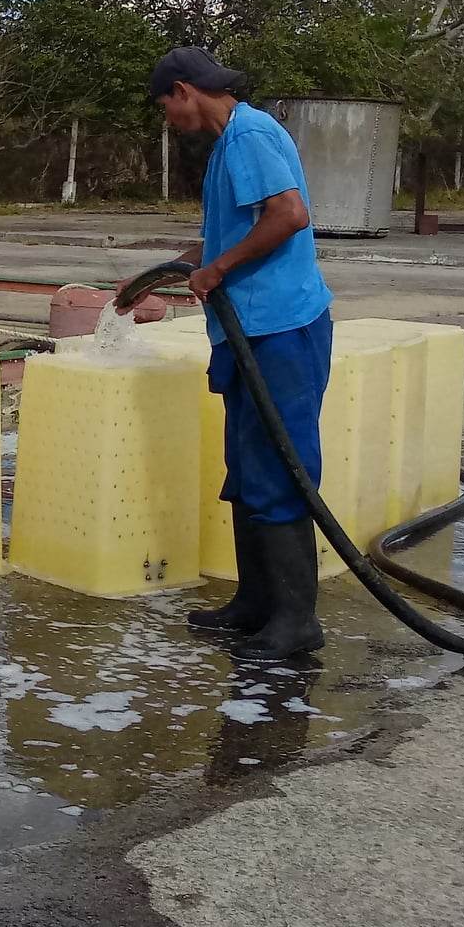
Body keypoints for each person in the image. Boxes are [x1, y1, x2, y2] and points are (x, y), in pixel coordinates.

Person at [124, 47, 333, 659]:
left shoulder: (248, 135)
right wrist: (175, 266)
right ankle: (254, 605)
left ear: (184, 91)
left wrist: (216, 268)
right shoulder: (229, 145)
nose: (169, 120)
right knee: (246, 470)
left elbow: (289, 214)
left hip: (281, 331)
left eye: (166, 107)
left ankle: (296, 620)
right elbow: (233, 232)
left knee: (280, 467)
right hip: (249, 333)